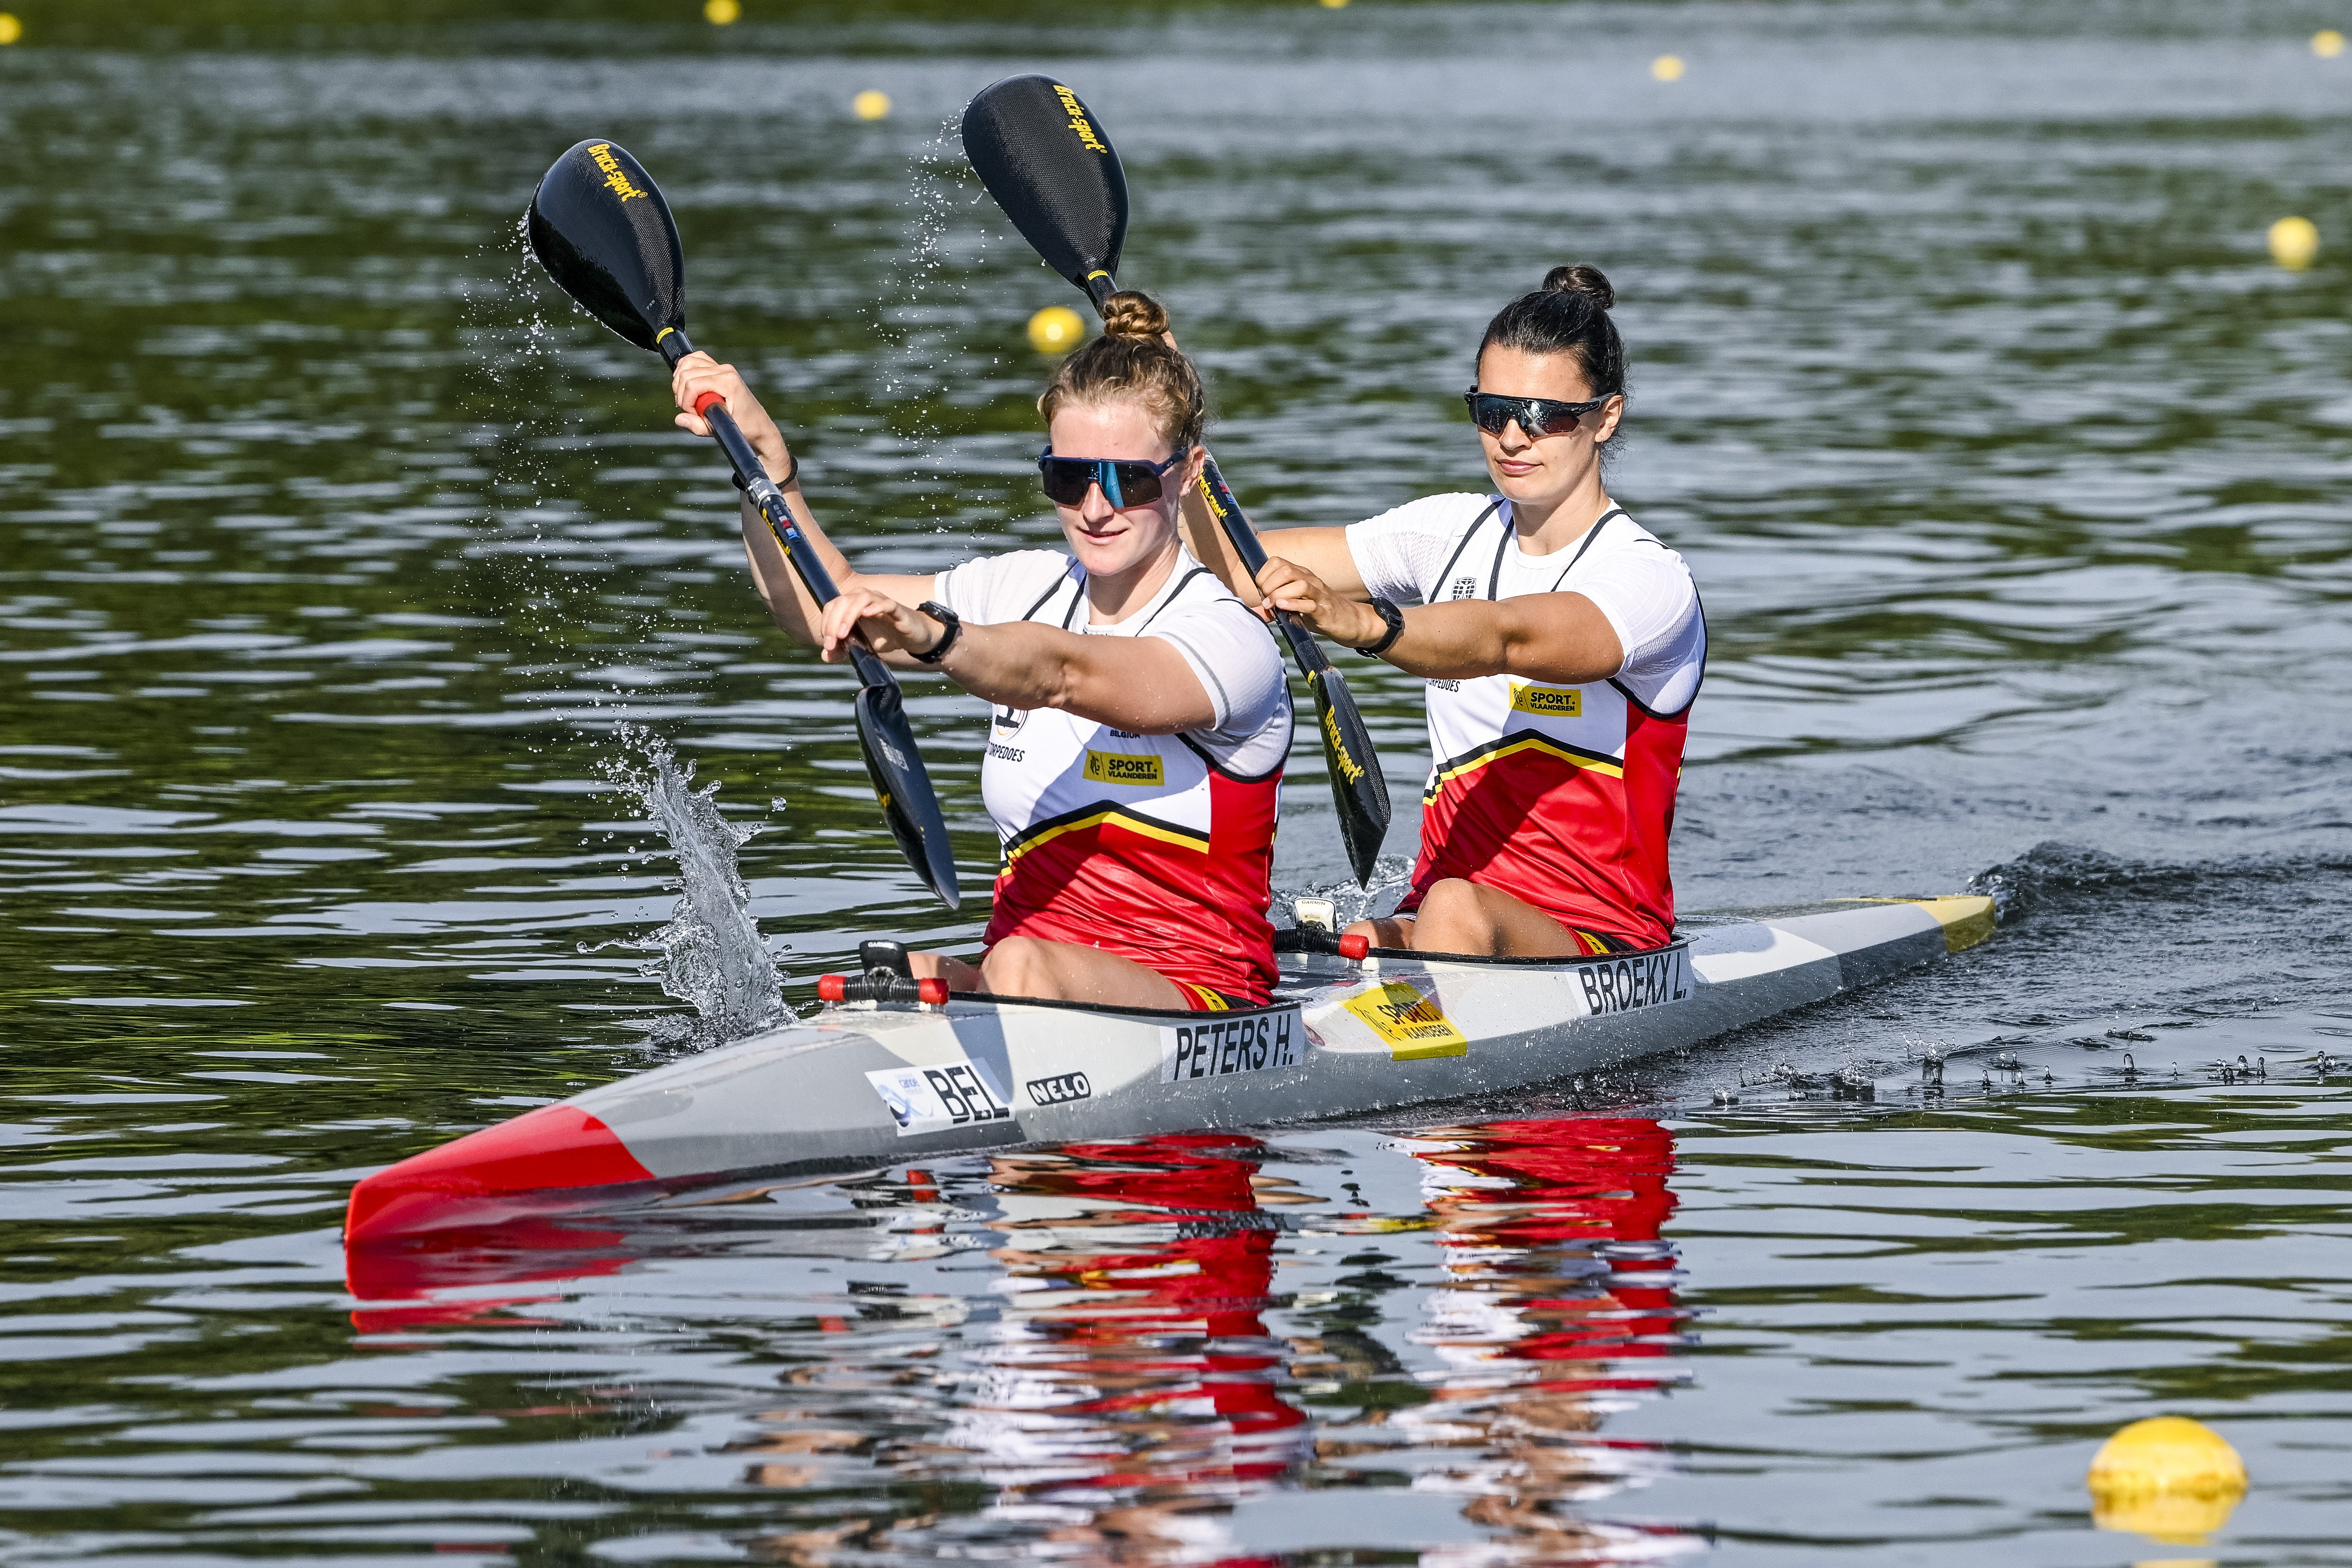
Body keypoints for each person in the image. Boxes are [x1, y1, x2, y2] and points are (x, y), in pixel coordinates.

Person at [670, 292, 1291, 1011]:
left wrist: (937, 637)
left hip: (1203, 998)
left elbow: (1065, 673)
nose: (1095, 508)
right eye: (1069, 477)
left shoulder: (1227, 634)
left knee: (1018, 965)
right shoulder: (1017, 584)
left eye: (1130, 479)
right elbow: (818, 607)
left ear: (1187, 474)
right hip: (1025, 978)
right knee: (894, 974)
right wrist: (767, 472)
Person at [1183, 266, 1704, 959]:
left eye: (1544, 416)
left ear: (1604, 416)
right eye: (1492, 412)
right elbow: (1217, 560)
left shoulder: (1646, 579)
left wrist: (1368, 624)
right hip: (1441, 914)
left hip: (1601, 935)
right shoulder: (1444, 534)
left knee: (1452, 907)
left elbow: (1508, 636)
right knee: (1357, 937)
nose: (1513, 438)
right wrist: (1170, 429)